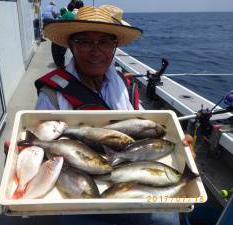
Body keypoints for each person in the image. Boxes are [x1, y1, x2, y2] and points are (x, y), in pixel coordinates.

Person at [34, 5, 195, 225]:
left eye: (105, 41)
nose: (95, 50)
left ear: (114, 46)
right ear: (71, 45)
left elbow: (143, 129)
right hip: (82, 198)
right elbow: (40, 144)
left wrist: (182, 147)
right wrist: (21, 154)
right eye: (84, 41)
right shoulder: (52, 93)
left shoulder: (125, 84)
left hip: (132, 189)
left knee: (168, 220)